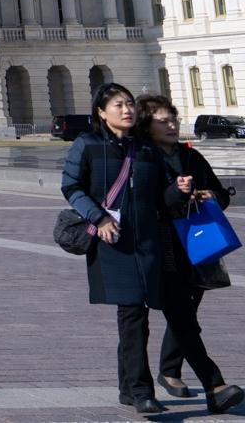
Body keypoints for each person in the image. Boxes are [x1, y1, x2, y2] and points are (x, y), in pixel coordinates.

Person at [59, 81, 242, 415]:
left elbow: (161, 201)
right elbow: (70, 187)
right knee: (133, 318)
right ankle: (141, 390)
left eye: (129, 104)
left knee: (180, 315)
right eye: (118, 105)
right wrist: (98, 218)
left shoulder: (145, 150)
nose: (127, 110)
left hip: (154, 245)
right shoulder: (87, 145)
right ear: (101, 112)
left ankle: (209, 386)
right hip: (114, 243)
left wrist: (180, 190)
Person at [138, 94, 235, 401]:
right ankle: (214, 385)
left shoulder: (190, 155)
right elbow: (145, 204)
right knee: (183, 315)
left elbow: (221, 193)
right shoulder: (143, 157)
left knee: (186, 312)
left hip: (197, 245)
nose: (171, 125)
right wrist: (174, 194)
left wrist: (210, 196)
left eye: (174, 119)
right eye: (163, 121)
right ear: (147, 125)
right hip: (163, 248)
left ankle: (169, 369)